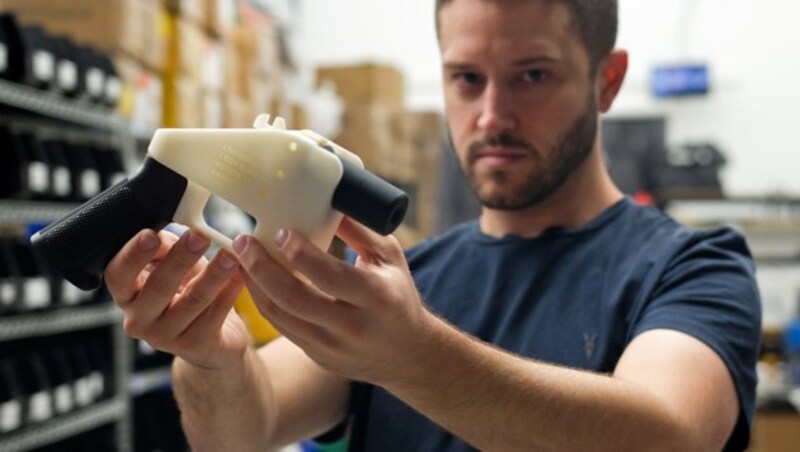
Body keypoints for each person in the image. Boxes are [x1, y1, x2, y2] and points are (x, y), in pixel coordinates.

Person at [104, 0, 761, 450]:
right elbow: (246, 430)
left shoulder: (694, 268)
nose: (492, 114)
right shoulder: (409, 281)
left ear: (606, 81)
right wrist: (211, 359)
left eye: (533, 74)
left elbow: (668, 438)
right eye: (467, 78)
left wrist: (413, 358)